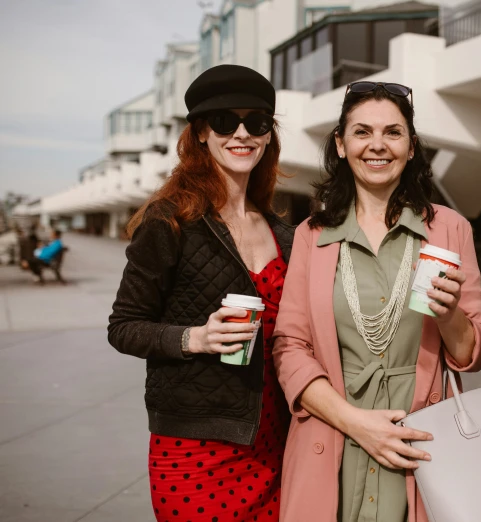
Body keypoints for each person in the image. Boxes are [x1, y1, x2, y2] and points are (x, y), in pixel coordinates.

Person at [272, 81, 481, 522]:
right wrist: (357, 423)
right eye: (362, 132)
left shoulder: (450, 229)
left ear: (411, 147)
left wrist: (450, 316)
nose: (378, 145)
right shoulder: (310, 236)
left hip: (421, 448)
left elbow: (473, 353)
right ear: (340, 143)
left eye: (393, 132)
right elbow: (289, 348)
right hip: (332, 440)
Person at [107, 64, 293, 522]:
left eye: (257, 122)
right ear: (201, 134)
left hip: (275, 443)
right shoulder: (168, 220)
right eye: (225, 122)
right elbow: (124, 327)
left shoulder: (283, 232)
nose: (242, 133)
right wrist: (195, 338)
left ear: (269, 136)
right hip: (194, 449)